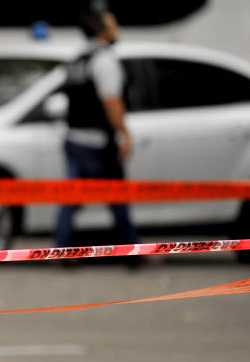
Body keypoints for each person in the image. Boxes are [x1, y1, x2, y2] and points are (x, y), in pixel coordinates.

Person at [53, 9, 140, 253]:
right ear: (102, 29)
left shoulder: (78, 58)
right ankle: (132, 251)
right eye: (113, 24)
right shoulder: (104, 60)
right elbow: (111, 101)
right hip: (98, 142)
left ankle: (61, 249)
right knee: (118, 197)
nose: (117, 29)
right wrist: (124, 132)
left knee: (71, 199)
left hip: (74, 138)